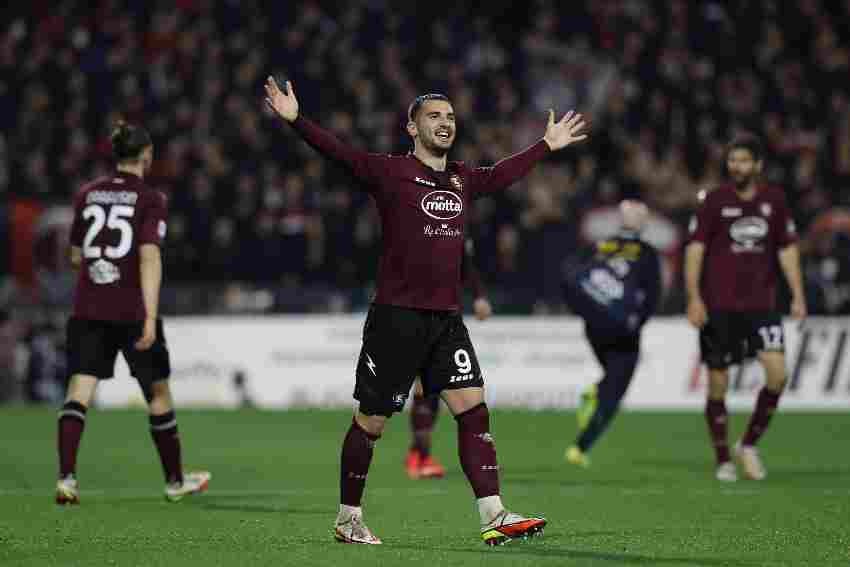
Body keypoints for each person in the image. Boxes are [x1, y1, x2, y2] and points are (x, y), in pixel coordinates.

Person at [264, 77, 587, 545]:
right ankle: (347, 517)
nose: (446, 122)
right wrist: (297, 121)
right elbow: (340, 154)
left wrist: (544, 146)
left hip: (445, 320)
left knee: (473, 408)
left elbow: (500, 175)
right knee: (371, 422)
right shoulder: (388, 172)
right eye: (435, 116)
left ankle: (493, 515)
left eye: (451, 116)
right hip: (396, 317)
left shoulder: (461, 178)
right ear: (411, 127)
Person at [56, 121, 211, 505]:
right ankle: (175, 481)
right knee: (157, 393)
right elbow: (149, 256)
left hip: (89, 307)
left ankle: (67, 478)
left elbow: (76, 255)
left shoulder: (87, 195)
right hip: (131, 308)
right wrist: (149, 316)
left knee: (79, 390)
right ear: (146, 155)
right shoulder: (150, 198)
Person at [685, 133, 806, 482]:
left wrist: (797, 294)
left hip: (762, 306)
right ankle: (723, 456)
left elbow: (787, 249)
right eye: (732, 160)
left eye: (743, 161)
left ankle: (748, 444)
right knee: (718, 385)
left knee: (778, 375)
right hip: (719, 306)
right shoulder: (714, 201)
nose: (736, 166)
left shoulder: (775, 201)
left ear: (758, 166)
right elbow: (695, 251)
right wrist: (694, 297)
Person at [562, 200, 661, 468]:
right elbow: (652, 296)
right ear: (643, 223)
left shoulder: (600, 245)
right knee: (615, 389)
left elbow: (569, 277)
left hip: (594, 327)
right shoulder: (647, 252)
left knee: (612, 377)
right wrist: (636, 322)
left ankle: (598, 391)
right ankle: (580, 448)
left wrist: (582, 311)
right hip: (622, 330)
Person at [405, 238, 493, 480]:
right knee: (426, 386)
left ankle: (418, 454)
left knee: (437, 386)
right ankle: (420, 459)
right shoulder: (417, 222)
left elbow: (465, 264)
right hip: (418, 311)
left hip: (443, 314)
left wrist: (479, 296)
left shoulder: (453, 223)